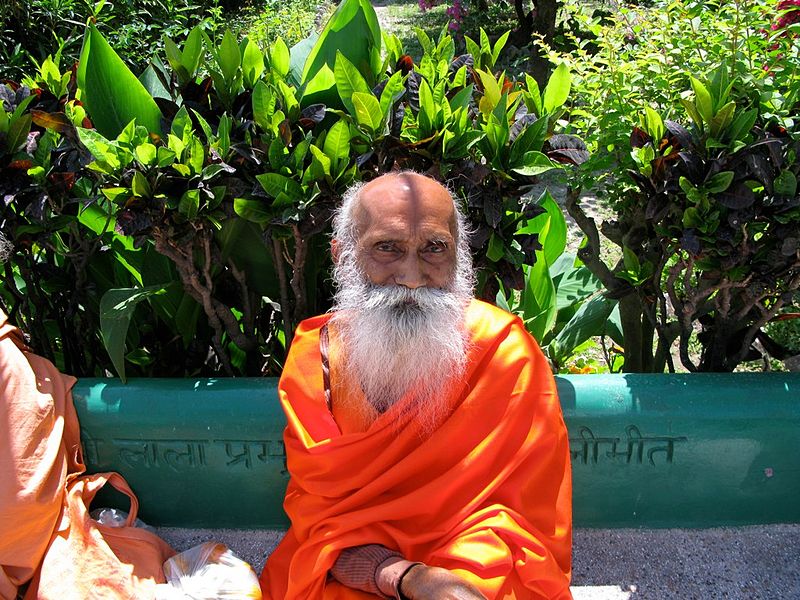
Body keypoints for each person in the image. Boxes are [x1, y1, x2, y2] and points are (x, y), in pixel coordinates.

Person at [259, 172, 572, 599]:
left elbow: (516, 521)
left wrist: (448, 586)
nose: (412, 275)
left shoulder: (503, 352)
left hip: (474, 573)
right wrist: (400, 576)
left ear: (457, 257)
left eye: (434, 249)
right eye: (387, 248)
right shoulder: (317, 359)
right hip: (360, 570)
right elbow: (319, 518)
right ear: (342, 256)